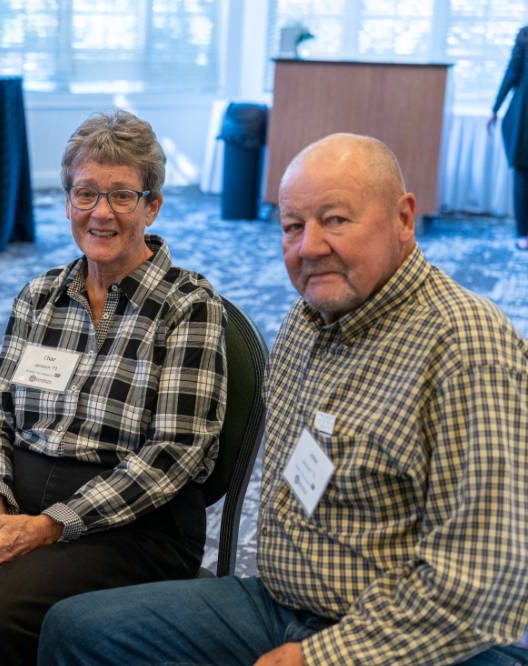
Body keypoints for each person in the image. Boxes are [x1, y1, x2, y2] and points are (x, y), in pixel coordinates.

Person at [39, 133, 528, 666]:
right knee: (77, 630)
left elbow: (483, 585)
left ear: (404, 219)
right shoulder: (306, 319)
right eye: (293, 226)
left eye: (336, 220)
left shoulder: (467, 347)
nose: (310, 247)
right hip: (280, 603)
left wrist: (320, 657)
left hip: (405, 635)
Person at [0, 110, 228, 666]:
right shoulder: (39, 296)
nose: (101, 213)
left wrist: (46, 528)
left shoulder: (189, 307)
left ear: (152, 205)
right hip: (16, 497)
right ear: (67, 203)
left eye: (121, 196)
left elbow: (174, 455)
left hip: (132, 522)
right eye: (85, 194)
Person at [489, 25, 528, 251]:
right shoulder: (525, 36)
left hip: (522, 118)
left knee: (523, 176)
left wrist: (495, 108)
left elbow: (511, 74)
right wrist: (495, 107)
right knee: (523, 174)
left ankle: (523, 233)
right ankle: (523, 232)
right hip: (523, 118)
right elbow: (512, 74)